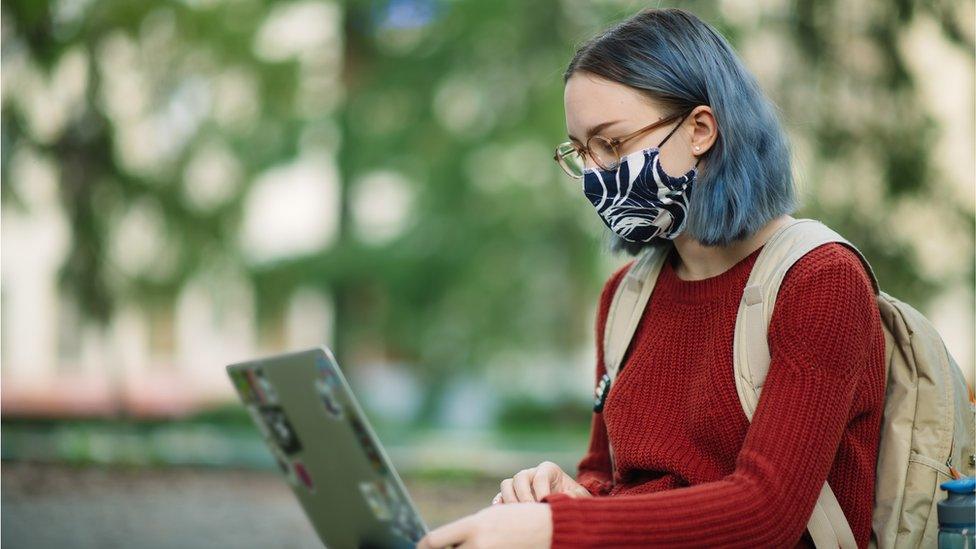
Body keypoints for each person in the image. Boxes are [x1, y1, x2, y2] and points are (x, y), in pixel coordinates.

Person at [417, 7, 885, 549]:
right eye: (581, 151)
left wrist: (554, 528)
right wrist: (569, 494)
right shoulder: (627, 296)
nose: (595, 176)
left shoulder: (821, 282)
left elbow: (766, 512)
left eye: (611, 144)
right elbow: (610, 479)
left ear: (701, 129)